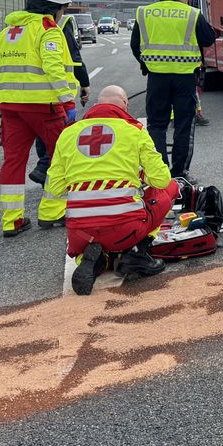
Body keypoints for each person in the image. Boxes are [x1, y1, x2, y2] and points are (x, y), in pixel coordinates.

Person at [46, 85, 175, 295]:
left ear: (96, 106)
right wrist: (138, 175)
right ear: (125, 105)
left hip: (81, 232)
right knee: (169, 188)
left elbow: (55, 186)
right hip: (126, 228)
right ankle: (136, 253)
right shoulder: (134, 131)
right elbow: (161, 179)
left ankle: (94, 260)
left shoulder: (67, 134)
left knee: (92, 235)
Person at [0, 0, 75, 237]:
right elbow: (53, 68)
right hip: (44, 107)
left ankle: (12, 220)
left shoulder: (7, 32)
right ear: (53, 6)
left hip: (10, 107)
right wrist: (68, 100)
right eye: (62, 8)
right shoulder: (47, 30)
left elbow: (0, 71)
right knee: (61, 158)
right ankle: (51, 212)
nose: (62, 15)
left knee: (13, 161)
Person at [131, 0, 216, 181]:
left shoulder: (144, 13)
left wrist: (146, 64)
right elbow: (208, 39)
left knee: (156, 126)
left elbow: (135, 45)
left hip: (156, 78)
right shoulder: (192, 14)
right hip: (185, 79)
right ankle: (180, 174)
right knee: (183, 126)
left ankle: (160, 173)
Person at [29, 12, 90, 185]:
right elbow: (74, 59)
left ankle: (45, 174)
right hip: (56, 94)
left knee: (42, 139)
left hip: (27, 95)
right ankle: (49, 175)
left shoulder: (22, 25)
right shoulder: (61, 23)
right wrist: (84, 83)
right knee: (62, 141)